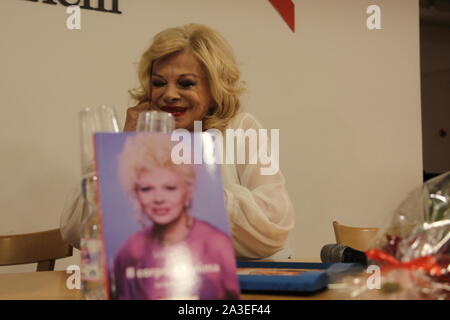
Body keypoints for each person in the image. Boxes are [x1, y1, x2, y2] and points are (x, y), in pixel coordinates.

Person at [61, 23, 295, 259]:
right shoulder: (137, 138)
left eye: (186, 83)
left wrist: (193, 191)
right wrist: (122, 147)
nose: (170, 94)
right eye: (159, 83)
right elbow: (76, 231)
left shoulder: (242, 128)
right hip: (159, 285)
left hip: (245, 286)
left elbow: (274, 225)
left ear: (214, 90)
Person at [112, 134, 239, 300]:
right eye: (146, 189)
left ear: (188, 191)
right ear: (135, 193)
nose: (158, 198)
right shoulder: (129, 251)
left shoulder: (216, 245)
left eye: (170, 188)